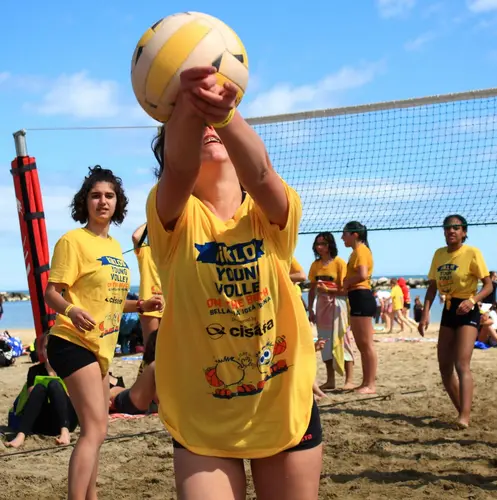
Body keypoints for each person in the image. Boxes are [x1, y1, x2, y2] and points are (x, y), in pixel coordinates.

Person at [145, 66, 320, 499]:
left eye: (215, 124)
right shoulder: (172, 217)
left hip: (281, 402)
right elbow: (181, 172)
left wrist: (224, 111)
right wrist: (185, 109)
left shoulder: (270, 212)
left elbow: (261, 175)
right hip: (201, 412)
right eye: (195, 125)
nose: (208, 127)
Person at [44, 166, 164, 500]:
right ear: (85, 202)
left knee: (97, 429)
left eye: (109, 196)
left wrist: (139, 305)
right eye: (95, 195)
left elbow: (108, 301)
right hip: (71, 340)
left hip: (102, 348)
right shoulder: (73, 240)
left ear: (117, 203)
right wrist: (70, 309)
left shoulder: (113, 247)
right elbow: (51, 293)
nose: (102, 201)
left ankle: (91, 495)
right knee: (95, 429)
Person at [418, 214, 492, 428]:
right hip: (449, 310)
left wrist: (472, 300)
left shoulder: (472, 252)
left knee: (462, 363)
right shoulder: (439, 255)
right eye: (448, 228)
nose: (451, 231)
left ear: (464, 232)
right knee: (444, 366)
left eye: (456, 228)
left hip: (467, 309)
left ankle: (464, 417)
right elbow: (432, 288)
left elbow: (488, 286)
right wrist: (425, 314)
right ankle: (462, 409)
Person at [6, 333, 78, 449]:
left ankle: (65, 433)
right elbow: (31, 396)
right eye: (46, 347)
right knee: (39, 387)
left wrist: (55, 374)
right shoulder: (34, 370)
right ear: (41, 351)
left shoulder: (67, 369)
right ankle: (21, 435)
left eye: (53, 347)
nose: (49, 351)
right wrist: (49, 370)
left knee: (54, 384)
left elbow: (73, 397)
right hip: (42, 421)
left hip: (66, 419)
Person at [307, 232, 355, 391]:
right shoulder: (315, 265)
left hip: (338, 305)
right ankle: (330, 380)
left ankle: (349, 380)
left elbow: (345, 290)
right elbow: (312, 289)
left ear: (330, 245)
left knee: (343, 339)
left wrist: (328, 289)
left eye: (323, 244)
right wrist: (310, 309)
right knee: (324, 342)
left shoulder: (340, 263)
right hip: (321, 306)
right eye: (317, 244)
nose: (320, 247)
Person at [341, 221, 377, 394]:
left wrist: (347, 281)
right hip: (356, 297)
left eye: (344, 234)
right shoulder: (356, 252)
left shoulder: (361, 250)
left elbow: (362, 274)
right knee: (362, 345)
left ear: (354, 234)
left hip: (362, 296)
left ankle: (370, 384)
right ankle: (365, 382)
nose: (342, 237)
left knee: (367, 344)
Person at [132, 223, 164, 345]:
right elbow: (136, 237)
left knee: (169, 349)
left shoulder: (172, 252)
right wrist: (153, 218)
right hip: (149, 303)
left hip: (169, 304)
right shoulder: (145, 251)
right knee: (152, 349)